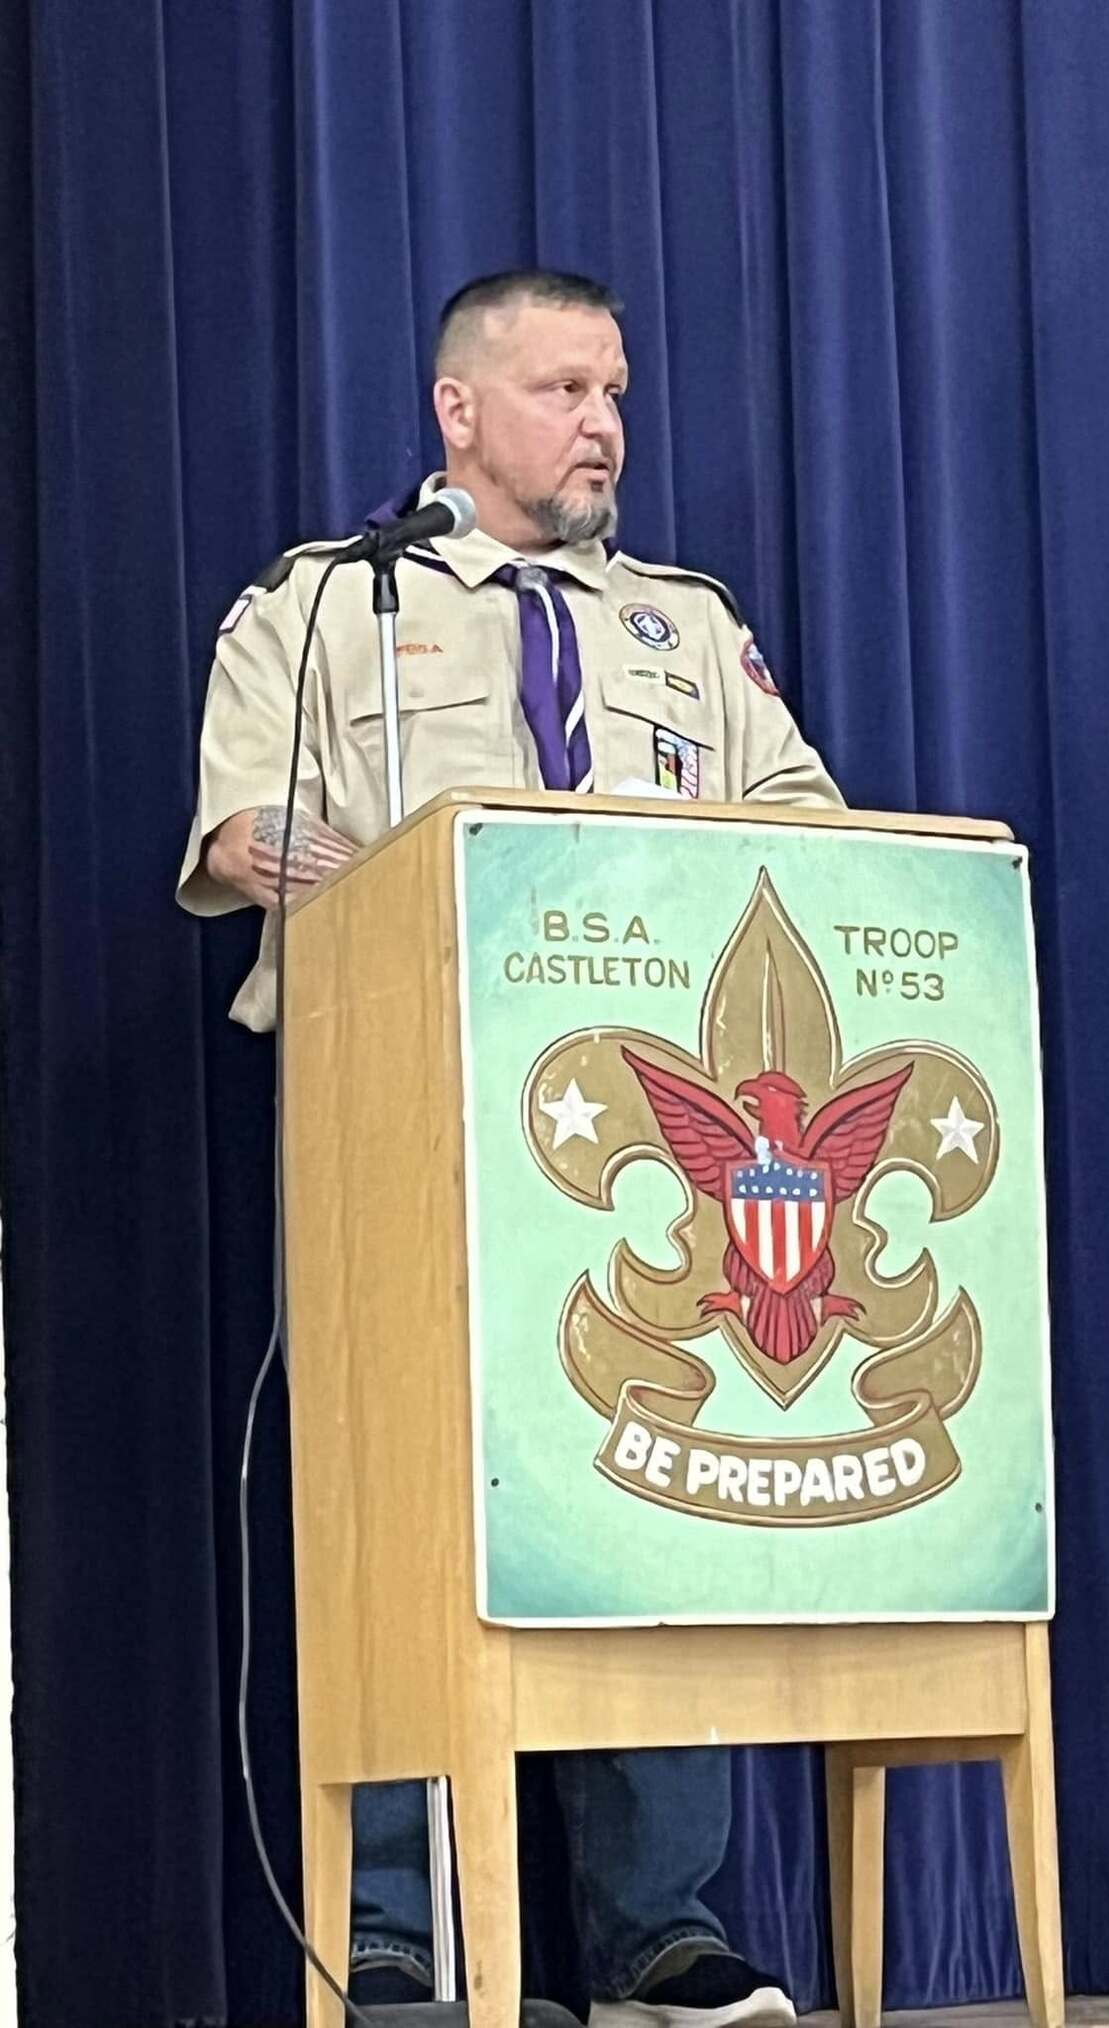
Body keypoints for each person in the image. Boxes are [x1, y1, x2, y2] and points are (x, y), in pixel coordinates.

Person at [178, 269, 843, 2028]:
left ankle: (660, 1929)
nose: (604, 421)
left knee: (649, 1490)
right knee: (403, 1500)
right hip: (408, 1112)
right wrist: (355, 873)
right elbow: (242, 822)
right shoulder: (327, 608)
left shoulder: (686, 628)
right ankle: (393, 1928)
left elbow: (803, 822)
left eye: (616, 387)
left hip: (656, 1139)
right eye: (562, 387)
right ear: (458, 411)